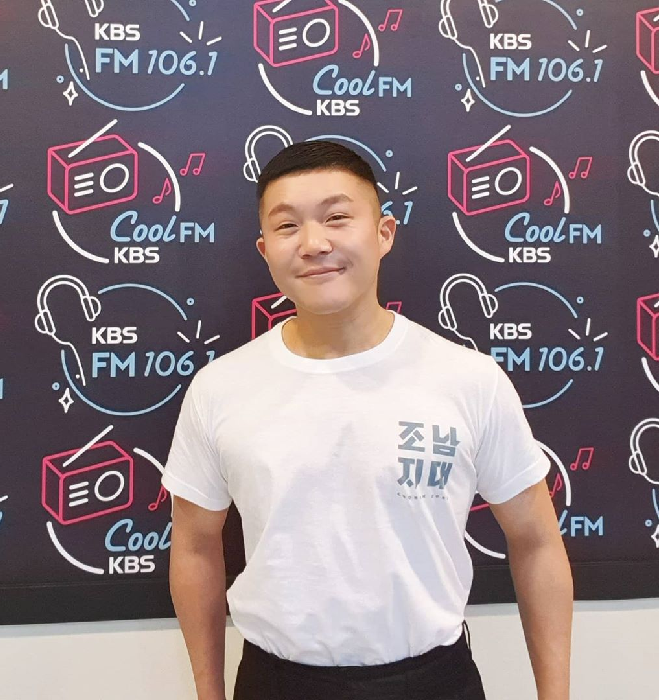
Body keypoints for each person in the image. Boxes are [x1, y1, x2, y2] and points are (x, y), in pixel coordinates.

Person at [161, 141, 573, 700]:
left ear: (384, 233)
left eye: (336, 217)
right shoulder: (220, 388)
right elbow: (194, 547)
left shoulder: (468, 379)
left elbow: (537, 542)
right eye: (287, 226)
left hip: (434, 681)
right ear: (265, 250)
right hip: (276, 682)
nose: (314, 243)